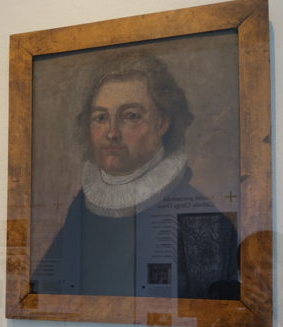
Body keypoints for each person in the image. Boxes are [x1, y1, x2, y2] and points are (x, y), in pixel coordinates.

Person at [32, 54, 239, 299]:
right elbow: (45, 293)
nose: (112, 133)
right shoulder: (81, 205)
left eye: (130, 115)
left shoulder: (199, 216)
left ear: (162, 123)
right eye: (100, 117)